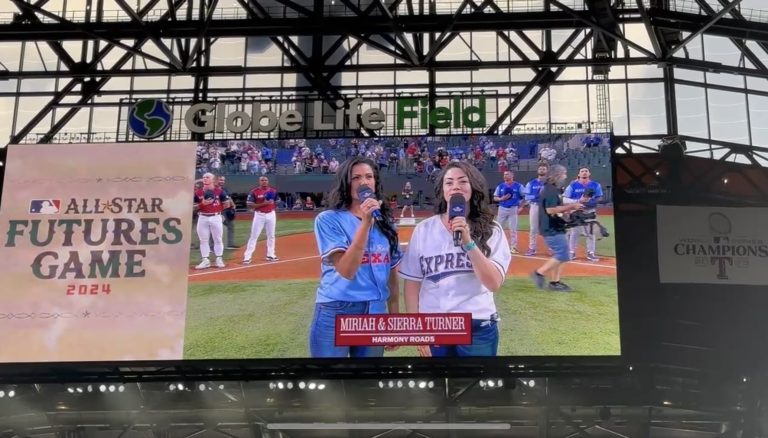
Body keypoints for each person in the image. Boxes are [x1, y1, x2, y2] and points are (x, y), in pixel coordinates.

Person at [399, 161, 512, 357]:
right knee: (437, 386)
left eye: (462, 181)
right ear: (442, 189)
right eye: (449, 182)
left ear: (473, 187)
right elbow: (412, 284)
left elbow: (493, 283)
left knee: (476, 386)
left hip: (476, 324)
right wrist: (417, 329)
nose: (455, 187)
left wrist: (468, 243)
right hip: (434, 324)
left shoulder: (492, 229)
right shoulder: (424, 229)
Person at [309, 157, 401, 358]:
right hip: (337, 309)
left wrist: (394, 318)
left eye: (369, 176)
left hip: (375, 310)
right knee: (330, 382)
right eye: (356, 177)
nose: (364, 182)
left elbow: (391, 273)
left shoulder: (385, 223)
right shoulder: (328, 219)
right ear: (346, 184)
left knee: (368, 384)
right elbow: (346, 270)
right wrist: (366, 223)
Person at [530, 165, 583, 292]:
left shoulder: (553, 189)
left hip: (554, 226)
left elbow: (557, 206)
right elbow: (551, 209)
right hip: (551, 228)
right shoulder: (550, 190)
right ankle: (539, 273)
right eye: (563, 174)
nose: (565, 176)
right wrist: (571, 207)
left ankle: (555, 282)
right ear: (557, 175)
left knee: (560, 255)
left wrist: (571, 206)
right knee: (563, 254)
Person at [563, 167, 604, 262]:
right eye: (582, 171)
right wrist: (577, 202)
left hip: (590, 211)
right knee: (574, 233)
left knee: (590, 233)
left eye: (586, 171)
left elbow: (599, 197)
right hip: (575, 212)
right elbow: (564, 199)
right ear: (579, 174)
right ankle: (571, 252)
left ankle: (591, 253)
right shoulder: (572, 186)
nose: (584, 173)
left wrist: (591, 202)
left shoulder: (595, 185)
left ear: (589, 173)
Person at [193, 173, 231, 269]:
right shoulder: (198, 193)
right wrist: (203, 204)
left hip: (215, 217)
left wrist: (217, 209)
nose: (205, 179)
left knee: (218, 238)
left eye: (207, 177)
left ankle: (219, 259)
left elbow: (227, 204)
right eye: (204, 177)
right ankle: (205, 260)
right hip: (203, 217)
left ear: (213, 180)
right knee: (203, 240)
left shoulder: (219, 191)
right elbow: (192, 207)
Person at [242, 176, 279, 264]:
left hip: (271, 214)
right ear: (259, 182)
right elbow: (249, 205)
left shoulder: (273, 191)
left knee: (271, 235)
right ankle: (247, 256)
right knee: (254, 235)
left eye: (266, 180)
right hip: (259, 215)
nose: (264, 182)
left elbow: (278, 201)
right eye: (262, 180)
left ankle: (271, 255)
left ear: (268, 181)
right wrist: (264, 203)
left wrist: (273, 203)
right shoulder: (254, 191)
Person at [493, 170, 526, 254]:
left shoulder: (519, 186)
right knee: (498, 228)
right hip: (502, 208)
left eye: (507, 174)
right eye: (504, 174)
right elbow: (495, 197)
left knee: (513, 229)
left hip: (513, 209)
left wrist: (521, 207)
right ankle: (496, 246)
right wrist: (501, 199)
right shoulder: (500, 186)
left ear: (512, 175)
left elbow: (525, 197)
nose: (505, 175)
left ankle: (513, 247)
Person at [523, 163, 548, 256]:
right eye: (540, 169)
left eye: (544, 169)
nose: (542, 170)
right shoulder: (531, 183)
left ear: (546, 171)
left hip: (547, 207)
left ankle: (552, 248)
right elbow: (526, 196)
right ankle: (532, 248)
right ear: (538, 171)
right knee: (533, 228)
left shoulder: (550, 182)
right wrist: (537, 195)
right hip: (535, 206)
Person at [213, 175, 238, 250]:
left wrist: (233, 205)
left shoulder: (224, 189)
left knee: (231, 226)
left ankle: (230, 244)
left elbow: (229, 197)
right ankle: (213, 246)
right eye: (220, 180)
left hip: (227, 211)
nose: (222, 182)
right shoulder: (213, 189)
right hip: (218, 211)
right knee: (215, 229)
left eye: (223, 180)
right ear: (216, 180)